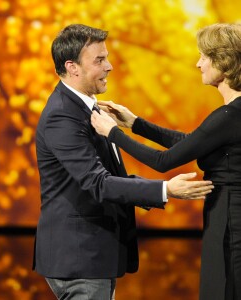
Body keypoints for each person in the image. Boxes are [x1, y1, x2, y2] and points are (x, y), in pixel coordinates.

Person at [33, 24, 213, 300]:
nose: (110, 66)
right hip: (80, 259)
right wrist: (165, 190)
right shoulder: (63, 116)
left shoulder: (87, 108)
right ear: (72, 67)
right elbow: (97, 183)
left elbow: (106, 176)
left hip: (91, 257)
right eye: (100, 60)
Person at [91, 23, 241, 300]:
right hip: (226, 215)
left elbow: (164, 161)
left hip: (231, 222)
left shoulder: (230, 115)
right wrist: (136, 124)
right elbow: (191, 142)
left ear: (225, 61)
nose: (198, 64)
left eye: (204, 57)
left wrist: (111, 132)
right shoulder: (230, 115)